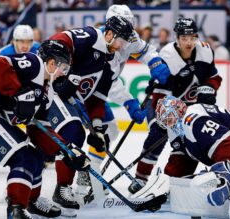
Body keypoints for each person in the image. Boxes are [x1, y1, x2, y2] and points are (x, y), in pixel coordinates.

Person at [0, 40, 90, 219]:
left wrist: (66, 150)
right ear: (51, 63)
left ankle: (30, 202)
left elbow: (39, 134)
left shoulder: (46, 95)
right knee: (22, 157)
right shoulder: (35, 64)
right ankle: (16, 209)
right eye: (63, 67)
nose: (64, 73)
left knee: (34, 156)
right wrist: (18, 92)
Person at [73, 4, 172, 200]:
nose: (128, 34)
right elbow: (108, 83)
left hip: (96, 94)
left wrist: (155, 61)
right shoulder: (100, 44)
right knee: (90, 134)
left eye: (130, 26)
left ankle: (90, 177)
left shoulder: (127, 35)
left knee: (110, 130)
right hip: (81, 94)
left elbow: (145, 50)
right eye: (124, 27)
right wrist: (129, 102)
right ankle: (86, 180)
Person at [44, 15, 135, 210]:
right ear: (109, 33)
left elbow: (98, 97)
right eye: (120, 40)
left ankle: (84, 178)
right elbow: (61, 40)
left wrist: (97, 127)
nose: (121, 45)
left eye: (124, 42)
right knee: (73, 132)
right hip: (51, 91)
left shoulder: (111, 62)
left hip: (71, 99)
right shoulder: (93, 36)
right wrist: (64, 68)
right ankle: (62, 188)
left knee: (100, 137)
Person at [128, 18, 223, 194]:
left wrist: (209, 88)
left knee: (188, 146)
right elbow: (160, 99)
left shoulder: (205, 50)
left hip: (191, 109)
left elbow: (214, 77)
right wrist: (171, 127)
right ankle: (140, 178)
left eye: (192, 37)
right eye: (184, 38)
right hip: (163, 104)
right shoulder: (167, 57)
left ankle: (173, 183)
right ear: (177, 38)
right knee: (158, 133)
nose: (189, 42)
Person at [155, 95, 230, 218]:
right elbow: (182, 159)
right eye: (165, 121)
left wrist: (222, 175)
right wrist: (170, 183)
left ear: (179, 110)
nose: (168, 124)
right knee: (229, 189)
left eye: (169, 118)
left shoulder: (192, 119)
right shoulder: (179, 128)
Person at [0, 24, 41, 173]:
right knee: (2, 123)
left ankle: (44, 152)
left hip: (31, 92)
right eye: (21, 41)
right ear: (14, 41)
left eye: (29, 41)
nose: (25, 46)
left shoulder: (39, 50)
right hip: (8, 94)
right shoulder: (3, 53)